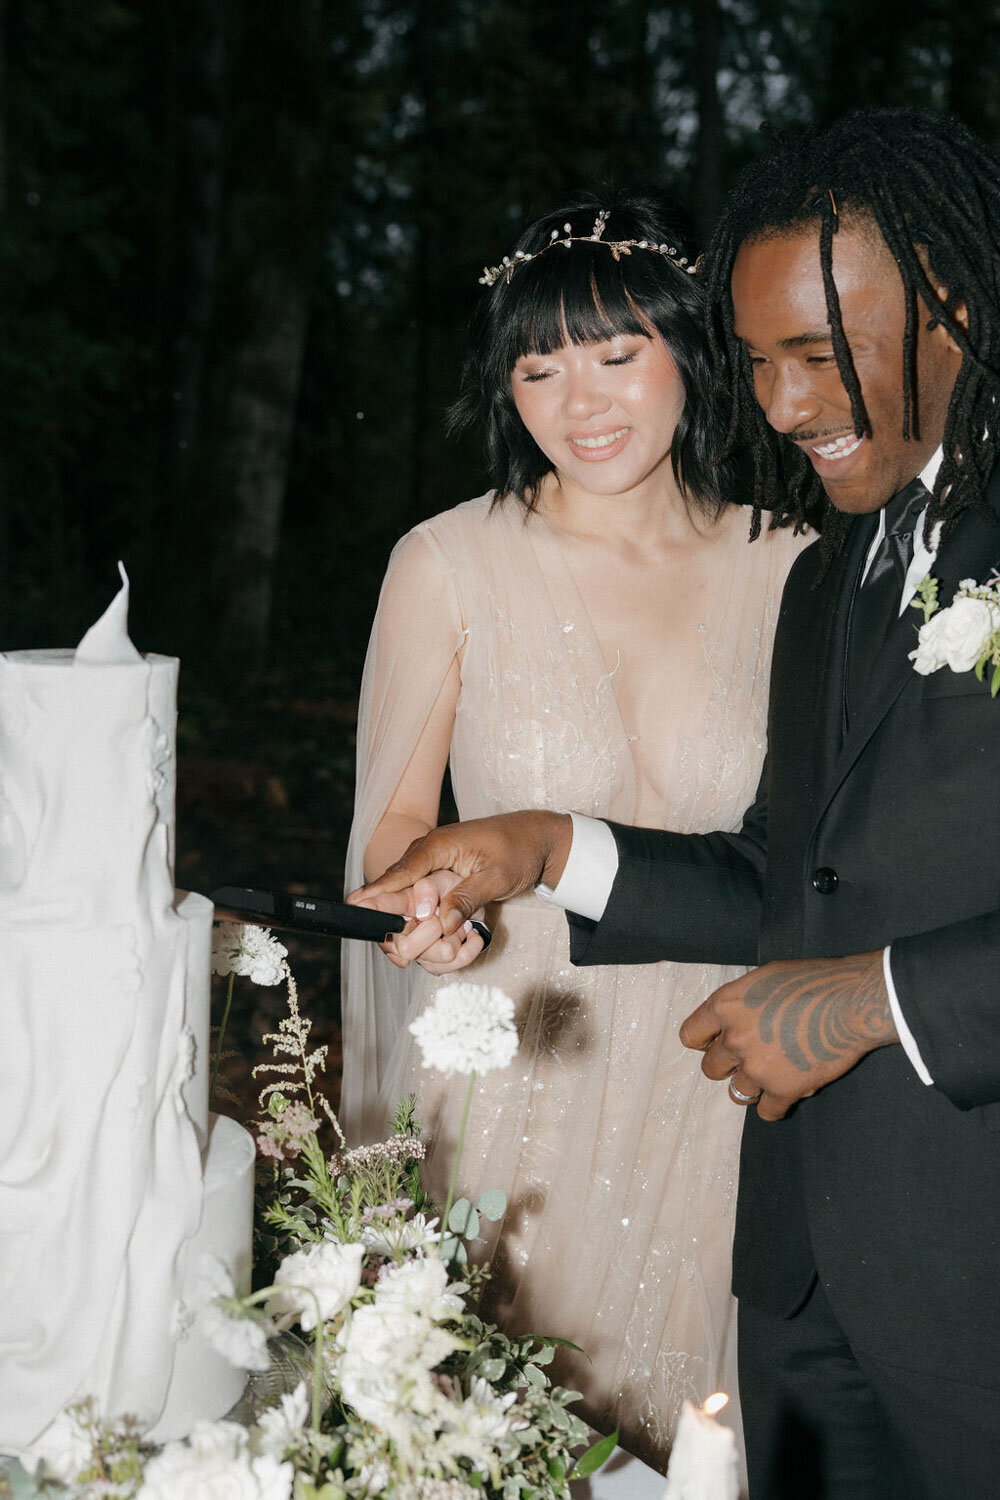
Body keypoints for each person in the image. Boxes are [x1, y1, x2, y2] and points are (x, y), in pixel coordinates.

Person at [350, 108, 1000, 1500]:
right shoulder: (839, 573)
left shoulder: (786, 556)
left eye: (817, 358)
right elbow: (783, 868)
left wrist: (878, 1000)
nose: (780, 405)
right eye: (762, 364)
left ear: (949, 303)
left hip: (940, 1230)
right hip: (786, 1236)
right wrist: (533, 847)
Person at [340, 189, 808, 1468]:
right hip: (517, 1067)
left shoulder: (794, 570)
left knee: (692, 1454)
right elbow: (392, 831)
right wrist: (427, 919)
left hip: (716, 1081)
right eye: (538, 367)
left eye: (616, 354)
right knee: (493, 1445)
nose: (581, 401)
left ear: (690, 351)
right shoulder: (446, 562)